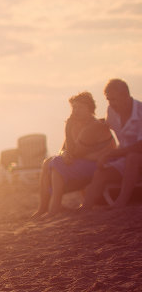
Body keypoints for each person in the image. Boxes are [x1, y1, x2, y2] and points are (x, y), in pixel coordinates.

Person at [31, 92, 105, 217]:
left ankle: (54, 208)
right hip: (79, 162)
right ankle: (43, 207)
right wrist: (64, 153)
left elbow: (76, 153)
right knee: (48, 162)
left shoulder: (93, 125)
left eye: (80, 107)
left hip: (95, 165)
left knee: (57, 163)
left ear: (89, 109)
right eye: (74, 108)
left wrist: (67, 129)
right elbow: (63, 149)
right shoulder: (75, 125)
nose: (76, 111)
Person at [82, 79, 142, 209]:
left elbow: (140, 146)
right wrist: (90, 127)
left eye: (114, 99)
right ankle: (85, 207)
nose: (111, 103)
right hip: (126, 158)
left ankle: (121, 202)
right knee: (102, 171)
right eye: (108, 100)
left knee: (133, 157)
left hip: (136, 158)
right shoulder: (112, 111)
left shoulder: (140, 111)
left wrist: (112, 153)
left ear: (126, 96)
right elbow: (106, 124)